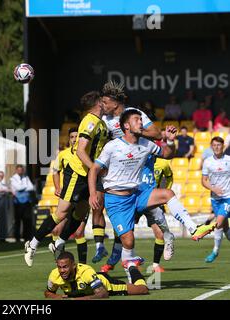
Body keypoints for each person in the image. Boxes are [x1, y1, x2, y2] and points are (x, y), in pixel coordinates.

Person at [88, 109, 215, 279]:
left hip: (138, 193)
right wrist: (92, 193)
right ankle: (131, 271)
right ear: (126, 125)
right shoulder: (112, 146)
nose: (141, 123)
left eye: (141, 120)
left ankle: (194, 229)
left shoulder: (145, 144)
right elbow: (94, 169)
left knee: (168, 193)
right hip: (117, 200)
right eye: (136, 120)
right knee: (128, 241)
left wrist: (170, 142)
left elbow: (168, 155)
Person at [24, 91, 108, 267]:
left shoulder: (100, 123)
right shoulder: (90, 121)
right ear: (98, 103)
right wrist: (94, 168)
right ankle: (32, 243)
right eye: (103, 101)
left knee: (80, 213)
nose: (106, 103)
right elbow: (80, 150)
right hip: (78, 174)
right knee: (61, 213)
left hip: (89, 176)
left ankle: (59, 243)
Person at [49, 127, 89, 263]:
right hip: (67, 197)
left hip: (83, 198)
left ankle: (83, 267)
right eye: (72, 137)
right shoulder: (63, 154)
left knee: (78, 233)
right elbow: (55, 171)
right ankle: (59, 263)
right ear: (68, 139)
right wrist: (57, 187)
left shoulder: (87, 153)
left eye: (77, 137)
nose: (74, 139)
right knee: (55, 231)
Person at [44, 251, 148, 300]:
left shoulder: (86, 271)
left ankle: (131, 265)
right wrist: (57, 296)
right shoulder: (54, 275)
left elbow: (103, 294)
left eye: (65, 267)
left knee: (143, 289)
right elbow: (48, 293)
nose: (62, 271)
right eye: (59, 267)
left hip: (106, 284)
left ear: (74, 265)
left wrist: (75, 300)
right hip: (87, 289)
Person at [201, 137, 230, 263]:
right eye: (214, 145)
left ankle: (215, 251)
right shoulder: (207, 162)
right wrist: (214, 188)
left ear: (223, 146)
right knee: (225, 228)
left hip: (227, 198)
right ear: (211, 147)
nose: (217, 147)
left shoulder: (229, 160)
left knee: (218, 224)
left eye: (219, 145)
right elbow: (203, 181)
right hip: (215, 199)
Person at [10, 165, 35, 243]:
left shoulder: (26, 177)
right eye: (19, 170)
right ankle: (17, 237)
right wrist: (25, 187)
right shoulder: (13, 178)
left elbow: (31, 187)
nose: (20, 171)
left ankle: (26, 237)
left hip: (26, 202)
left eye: (22, 170)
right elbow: (18, 188)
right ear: (16, 170)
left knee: (27, 220)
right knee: (17, 220)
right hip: (18, 202)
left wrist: (23, 187)